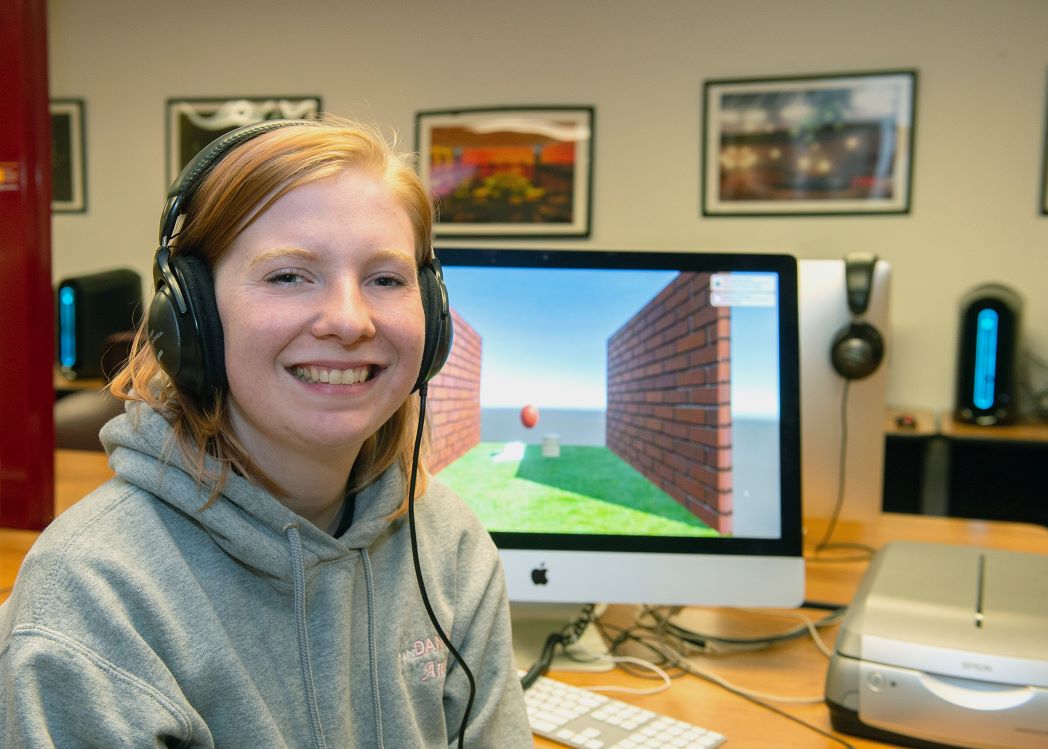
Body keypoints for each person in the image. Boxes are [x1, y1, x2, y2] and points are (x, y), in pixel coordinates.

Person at [0, 117, 532, 748]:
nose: (348, 319)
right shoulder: (95, 600)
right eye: (288, 275)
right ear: (192, 317)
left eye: (385, 279)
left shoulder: (447, 544)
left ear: (433, 315)